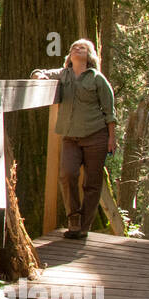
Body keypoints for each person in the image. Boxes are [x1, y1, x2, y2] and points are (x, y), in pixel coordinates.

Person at [30, 39, 116, 240]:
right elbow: (39, 72)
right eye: (75, 47)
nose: (78, 49)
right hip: (70, 137)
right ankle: (74, 218)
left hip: (96, 135)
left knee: (92, 183)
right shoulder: (64, 74)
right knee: (67, 174)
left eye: (83, 48)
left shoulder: (97, 78)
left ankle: (83, 226)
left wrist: (111, 138)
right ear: (70, 55)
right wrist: (39, 76)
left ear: (89, 56)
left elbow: (109, 111)